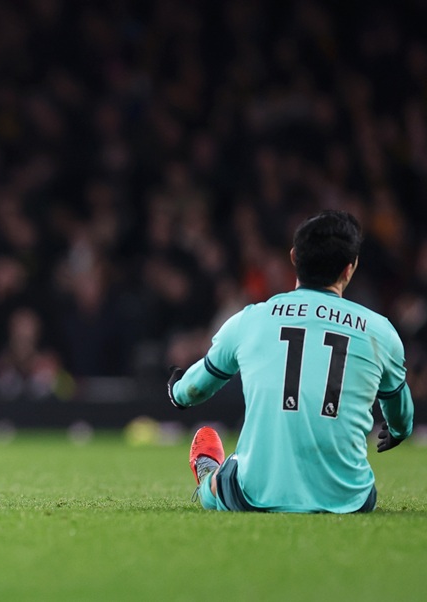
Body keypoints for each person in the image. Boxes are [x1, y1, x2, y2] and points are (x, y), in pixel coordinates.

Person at [167, 210, 413, 513]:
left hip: (257, 494)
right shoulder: (380, 332)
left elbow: (194, 390)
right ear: (350, 268)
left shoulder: (250, 320)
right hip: (351, 500)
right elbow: (402, 414)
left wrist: (176, 391)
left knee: (226, 477)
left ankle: (208, 475)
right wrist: (399, 431)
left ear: (294, 257)